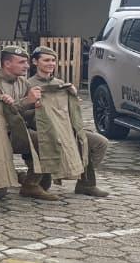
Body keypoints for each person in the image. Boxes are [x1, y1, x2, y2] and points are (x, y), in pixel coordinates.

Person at [0, 46, 59, 202]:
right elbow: (0, 115)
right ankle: (26, 181)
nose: (27, 66)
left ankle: (29, 180)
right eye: (22, 62)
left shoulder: (22, 82)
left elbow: (29, 108)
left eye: (27, 62)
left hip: (18, 131)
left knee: (45, 182)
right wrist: (27, 101)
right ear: (7, 63)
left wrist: (36, 106)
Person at [29, 46, 109, 197]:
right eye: (46, 60)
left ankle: (85, 183)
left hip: (67, 128)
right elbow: (26, 113)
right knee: (44, 184)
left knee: (98, 142)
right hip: (44, 130)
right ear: (35, 62)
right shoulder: (29, 84)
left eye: (53, 60)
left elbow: (69, 109)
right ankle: (36, 177)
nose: (51, 63)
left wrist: (73, 99)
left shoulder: (61, 84)